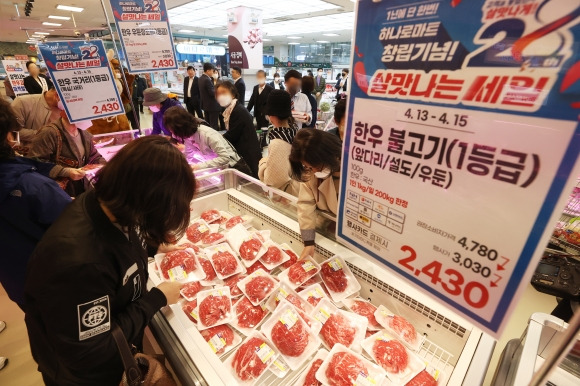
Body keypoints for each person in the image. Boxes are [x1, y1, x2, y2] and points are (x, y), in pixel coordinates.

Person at [25, 136, 194, 386]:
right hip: (86, 376)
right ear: (146, 201)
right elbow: (90, 350)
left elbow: (122, 241)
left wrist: (154, 246)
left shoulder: (107, 204)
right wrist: (157, 298)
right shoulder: (79, 261)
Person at [0, 98, 72, 310]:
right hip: (59, 284)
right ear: (9, 135)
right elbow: (77, 234)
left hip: (17, 281)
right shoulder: (34, 187)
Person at [29, 105, 106, 197]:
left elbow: (94, 156)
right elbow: (34, 162)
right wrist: (66, 172)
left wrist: (106, 166)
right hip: (57, 192)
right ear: (64, 112)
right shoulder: (49, 132)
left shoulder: (85, 134)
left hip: (80, 190)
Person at [289, 129, 342, 259]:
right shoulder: (311, 174)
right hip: (328, 231)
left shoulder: (355, 174)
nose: (313, 171)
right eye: (308, 167)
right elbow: (305, 205)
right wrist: (308, 242)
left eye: (315, 166)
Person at [164, 106, 241, 171]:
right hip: (217, 168)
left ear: (181, 127)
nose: (173, 135)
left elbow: (225, 158)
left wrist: (199, 166)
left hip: (232, 168)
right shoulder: (187, 136)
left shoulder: (208, 135)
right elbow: (189, 154)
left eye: (173, 131)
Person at [216, 81, 261, 178]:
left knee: (252, 182)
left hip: (248, 154)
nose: (221, 96)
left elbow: (232, 135)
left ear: (232, 94)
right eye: (218, 94)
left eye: (224, 93)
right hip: (245, 152)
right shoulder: (231, 110)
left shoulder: (238, 111)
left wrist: (217, 139)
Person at [258, 90, 299, 195]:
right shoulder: (294, 130)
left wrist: (263, 162)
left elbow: (273, 180)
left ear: (272, 117)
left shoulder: (278, 142)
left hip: (286, 197)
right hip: (296, 191)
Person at [198, 63, 221, 130]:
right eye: (212, 71)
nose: (212, 73)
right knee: (214, 125)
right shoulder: (207, 80)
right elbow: (212, 93)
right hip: (212, 106)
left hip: (205, 105)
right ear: (208, 71)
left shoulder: (200, 78)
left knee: (208, 124)